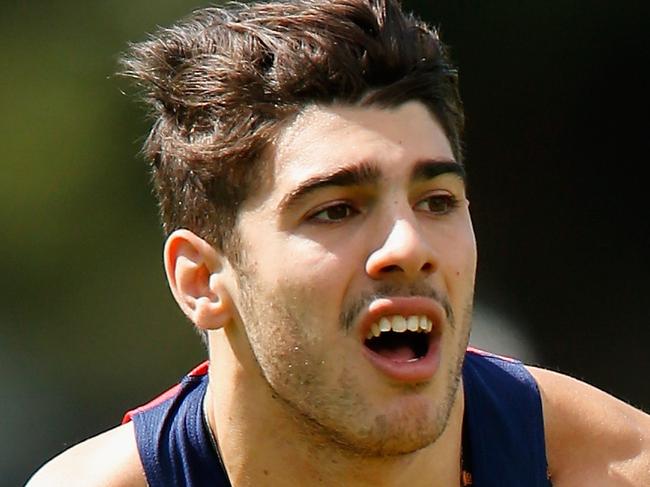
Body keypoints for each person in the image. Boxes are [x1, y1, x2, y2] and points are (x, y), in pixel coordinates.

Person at [28, 0, 650, 485]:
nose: (408, 246)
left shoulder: (608, 469)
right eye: (336, 211)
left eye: (437, 202)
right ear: (202, 280)